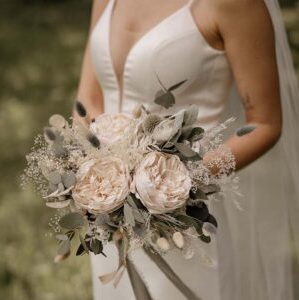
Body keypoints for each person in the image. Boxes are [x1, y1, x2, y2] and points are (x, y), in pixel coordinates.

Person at [75, 0, 299, 299]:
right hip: (107, 214)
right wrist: (94, 177)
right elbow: (88, 100)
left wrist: (176, 184)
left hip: (186, 218)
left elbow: (265, 123)